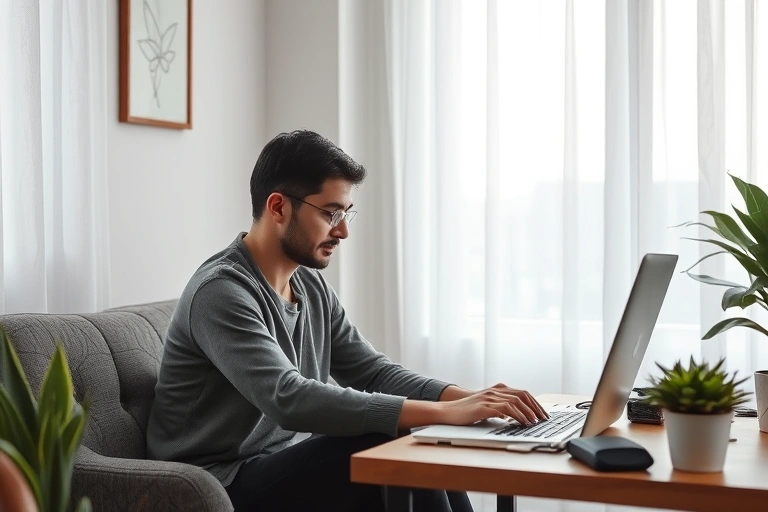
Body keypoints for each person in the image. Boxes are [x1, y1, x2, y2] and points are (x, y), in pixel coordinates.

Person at [146, 130, 549, 512]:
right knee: (389, 437)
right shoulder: (221, 292)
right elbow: (288, 398)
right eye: (331, 213)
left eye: (346, 214)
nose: (342, 231)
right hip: (215, 483)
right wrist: (443, 415)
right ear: (278, 207)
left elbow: (371, 371)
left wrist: (470, 399)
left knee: (411, 438)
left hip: (276, 464)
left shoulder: (309, 286)